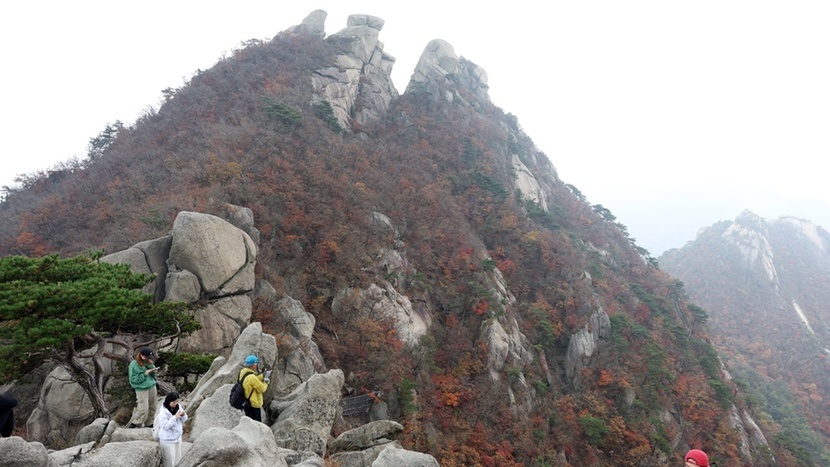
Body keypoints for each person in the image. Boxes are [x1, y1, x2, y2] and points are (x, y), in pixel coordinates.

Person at [127, 346, 159, 428]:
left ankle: (149, 422)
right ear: (141, 355)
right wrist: (145, 374)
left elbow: (154, 375)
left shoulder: (149, 362)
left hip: (152, 386)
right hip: (141, 389)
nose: (148, 358)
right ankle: (136, 423)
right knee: (143, 409)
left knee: (153, 406)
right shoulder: (133, 365)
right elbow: (133, 379)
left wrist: (154, 371)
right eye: (147, 356)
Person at [154, 391, 187, 467]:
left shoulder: (178, 407)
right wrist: (175, 417)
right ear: (169, 402)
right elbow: (165, 426)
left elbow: (184, 420)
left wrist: (183, 415)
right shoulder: (163, 413)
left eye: (176, 401)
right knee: (169, 463)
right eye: (173, 402)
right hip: (168, 441)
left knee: (177, 461)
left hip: (177, 439)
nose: (176, 403)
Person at [239, 354, 269, 422]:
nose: (256, 365)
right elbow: (262, 389)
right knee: (257, 424)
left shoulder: (243, 372)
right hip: (254, 404)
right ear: (252, 365)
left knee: (250, 422)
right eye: (255, 364)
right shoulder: (251, 377)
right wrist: (266, 382)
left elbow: (251, 380)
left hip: (247, 403)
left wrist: (262, 376)